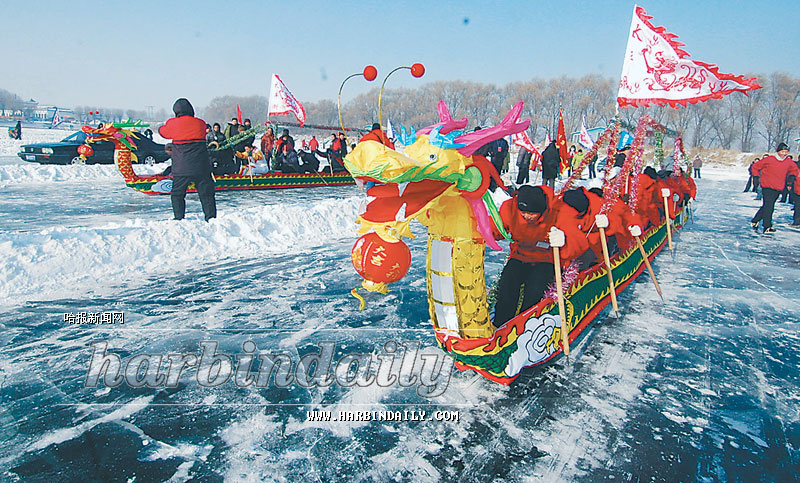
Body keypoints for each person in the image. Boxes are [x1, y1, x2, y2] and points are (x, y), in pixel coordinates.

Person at [491, 185, 588, 326]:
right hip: (520, 256)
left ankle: (527, 324)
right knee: (508, 281)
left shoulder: (560, 211)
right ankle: (501, 324)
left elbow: (580, 243)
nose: (526, 216)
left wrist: (564, 240)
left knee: (535, 288)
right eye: (523, 212)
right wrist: (481, 230)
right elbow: (497, 228)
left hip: (546, 259)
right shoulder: (510, 208)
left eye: (531, 214)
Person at [158, 98, 216, 221]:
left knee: (177, 195)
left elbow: (163, 132)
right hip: (201, 167)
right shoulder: (200, 123)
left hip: (181, 167)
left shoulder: (173, 123)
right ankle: (211, 218)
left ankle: (179, 218)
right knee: (206, 195)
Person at [751, 143, 799, 233]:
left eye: (786, 152)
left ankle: (755, 220)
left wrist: (791, 177)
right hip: (767, 186)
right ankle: (767, 226)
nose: (784, 154)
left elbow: (795, 170)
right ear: (778, 151)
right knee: (770, 206)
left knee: (767, 205)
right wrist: (756, 177)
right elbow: (755, 166)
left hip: (778, 187)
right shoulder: (769, 159)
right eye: (782, 151)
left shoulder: (788, 162)